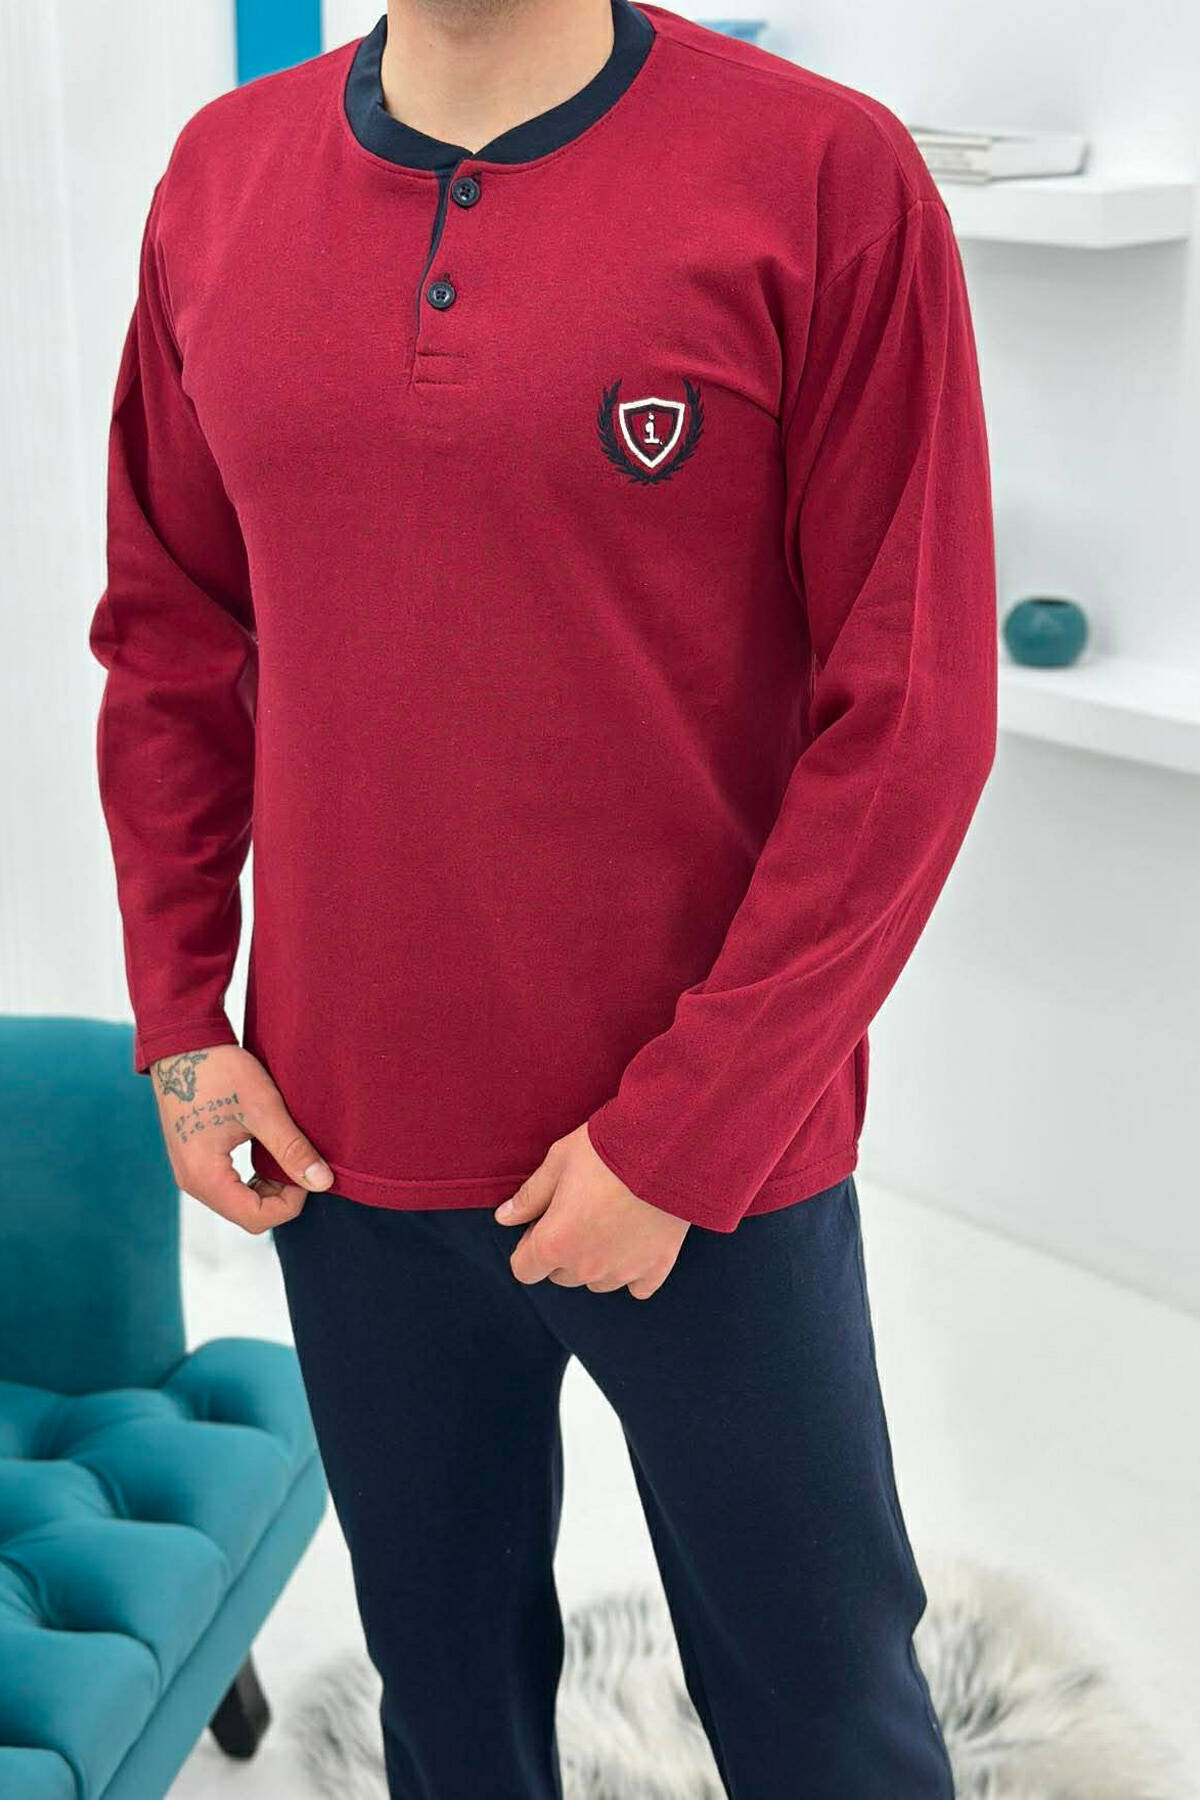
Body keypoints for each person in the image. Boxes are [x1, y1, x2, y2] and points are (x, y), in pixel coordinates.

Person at [89, 0, 997, 1791]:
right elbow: (171, 643)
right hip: (344, 1153)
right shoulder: (218, 179)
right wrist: (184, 1022)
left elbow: (912, 716)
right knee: (445, 1704)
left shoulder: (825, 175)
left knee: (829, 1714)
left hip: (711, 1165)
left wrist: (684, 1133)